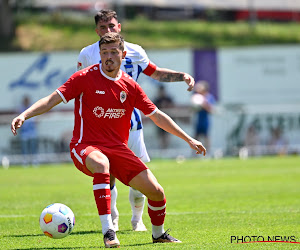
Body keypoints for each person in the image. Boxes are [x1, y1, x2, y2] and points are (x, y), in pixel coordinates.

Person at [11, 33, 206, 248]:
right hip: (85, 146)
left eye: (114, 52)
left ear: (123, 55)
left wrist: (189, 139)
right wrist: (24, 115)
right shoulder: (84, 77)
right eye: (104, 52)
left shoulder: (130, 86)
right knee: (102, 164)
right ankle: (109, 232)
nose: (108, 57)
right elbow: (51, 100)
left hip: (118, 149)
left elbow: (157, 116)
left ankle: (158, 234)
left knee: (157, 192)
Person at [77, 9, 195, 232]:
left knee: (139, 174)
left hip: (133, 125)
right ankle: (112, 219)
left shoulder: (135, 51)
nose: (108, 30)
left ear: (119, 27)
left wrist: (181, 76)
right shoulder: (88, 54)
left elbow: (155, 72)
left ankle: (137, 219)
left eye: (111, 26)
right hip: (105, 126)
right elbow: (81, 87)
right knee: (108, 173)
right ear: (96, 31)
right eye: (103, 28)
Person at [191, 81, 216, 154]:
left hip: (205, 120)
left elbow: (210, 109)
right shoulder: (197, 97)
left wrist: (203, 104)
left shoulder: (209, 97)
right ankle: (194, 154)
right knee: (196, 137)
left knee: (206, 137)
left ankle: (207, 153)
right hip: (198, 120)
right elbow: (193, 109)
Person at [19, 95, 39, 166]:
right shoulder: (21, 109)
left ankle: (34, 160)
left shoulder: (32, 108)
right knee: (24, 148)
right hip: (24, 132)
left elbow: (36, 120)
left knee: (33, 147)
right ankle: (25, 160)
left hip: (32, 132)